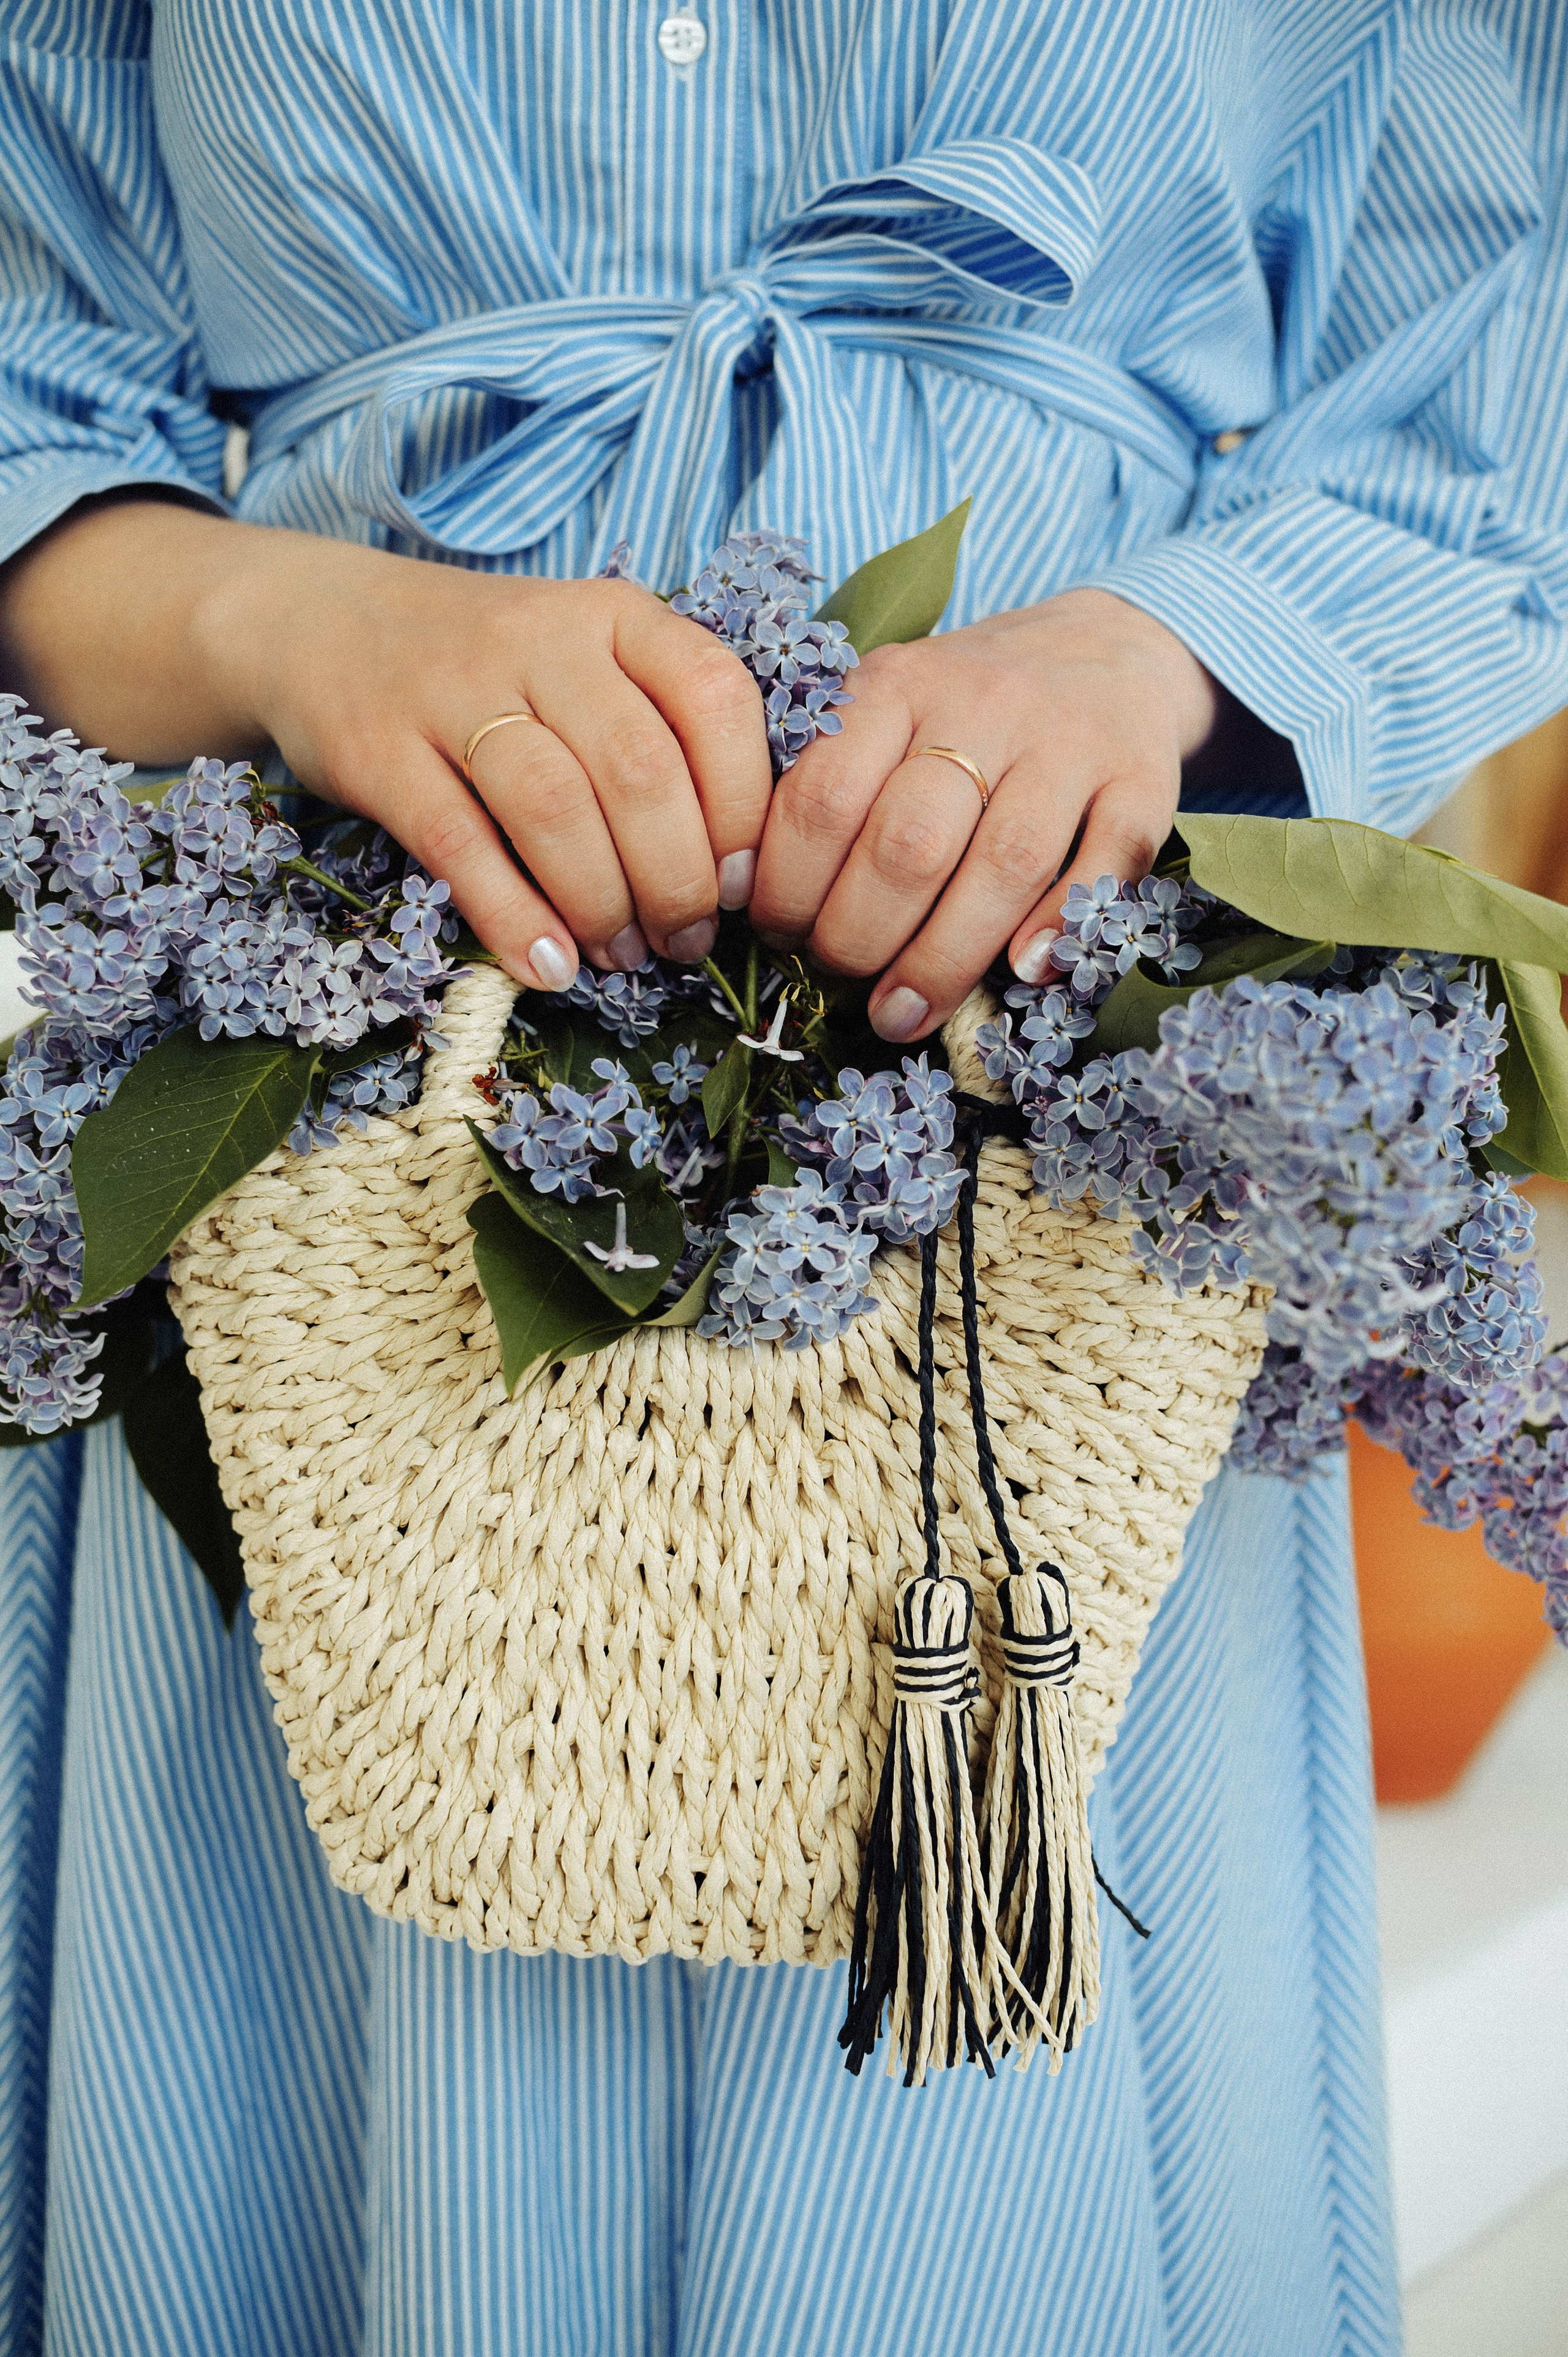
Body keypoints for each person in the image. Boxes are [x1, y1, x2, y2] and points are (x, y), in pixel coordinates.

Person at [1, 4, 1564, 2350]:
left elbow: (1506, 337)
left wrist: (1162, 658)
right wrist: (286, 614)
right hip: (322, 1193)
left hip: (1054, 1192)